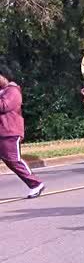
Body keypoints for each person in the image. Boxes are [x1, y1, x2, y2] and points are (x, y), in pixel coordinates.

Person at [0, 69, 45, 198]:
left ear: (4, 77)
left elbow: (4, 106)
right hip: (2, 132)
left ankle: (36, 184)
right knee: (11, 161)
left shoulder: (12, 90)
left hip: (9, 131)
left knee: (13, 160)